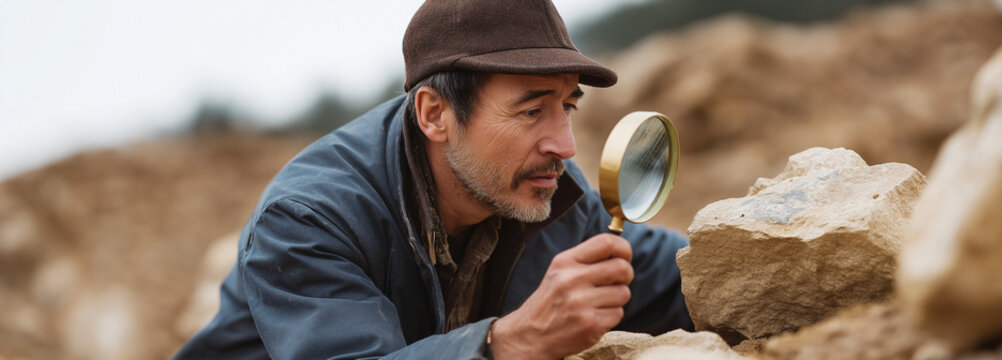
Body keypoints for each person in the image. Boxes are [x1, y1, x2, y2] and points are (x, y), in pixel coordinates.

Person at [174, 0, 692, 359]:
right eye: (532, 110)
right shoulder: (309, 220)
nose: (565, 144)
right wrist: (508, 344)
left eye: (567, 106)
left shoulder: (556, 194)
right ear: (434, 114)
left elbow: (683, 281)